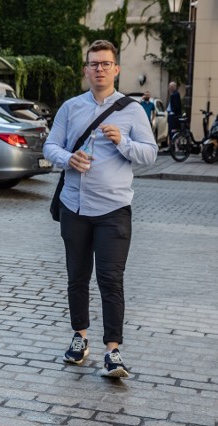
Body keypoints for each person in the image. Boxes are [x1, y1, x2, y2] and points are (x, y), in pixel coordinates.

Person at [43, 40, 157, 379]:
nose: (100, 69)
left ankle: (113, 351)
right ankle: (80, 338)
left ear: (116, 69)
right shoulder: (70, 108)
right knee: (77, 277)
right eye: (93, 64)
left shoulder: (132, 111)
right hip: (73, 208)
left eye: (106, 63)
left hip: (113, 210)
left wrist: (123, 142)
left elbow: (150, 154)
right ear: (86, 69)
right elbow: (51, 146)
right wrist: (68, 158)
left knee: (111, 279)